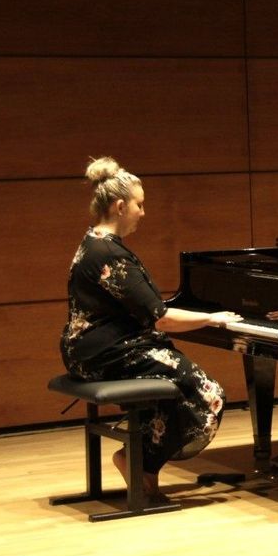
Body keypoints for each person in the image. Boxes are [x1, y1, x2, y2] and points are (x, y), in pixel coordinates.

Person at [59, 158, 243, 498]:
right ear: (119, 206)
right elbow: (161, 318)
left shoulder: (93, 243)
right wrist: (213, 318)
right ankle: (137, 461)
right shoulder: (109, 255)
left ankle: (144, 467)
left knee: (175, 388)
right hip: (109, 354)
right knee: (209, 395)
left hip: (89, 351)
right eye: (139, 205)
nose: (143, 213)